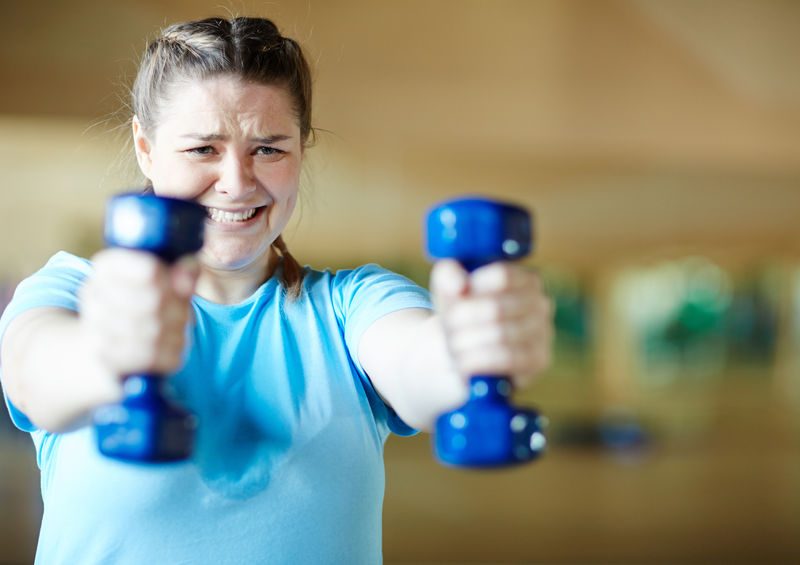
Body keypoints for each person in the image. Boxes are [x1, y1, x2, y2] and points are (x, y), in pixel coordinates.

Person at [0, 16, 553, 565]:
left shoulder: (352, 306)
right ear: (146, 148)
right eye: (202, 150)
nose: (237, 183)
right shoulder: (73, 290)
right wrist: (103, 354)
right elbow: (35, 371)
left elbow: (417, 361)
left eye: (269, 149)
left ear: (303, 149)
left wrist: (468, 347)